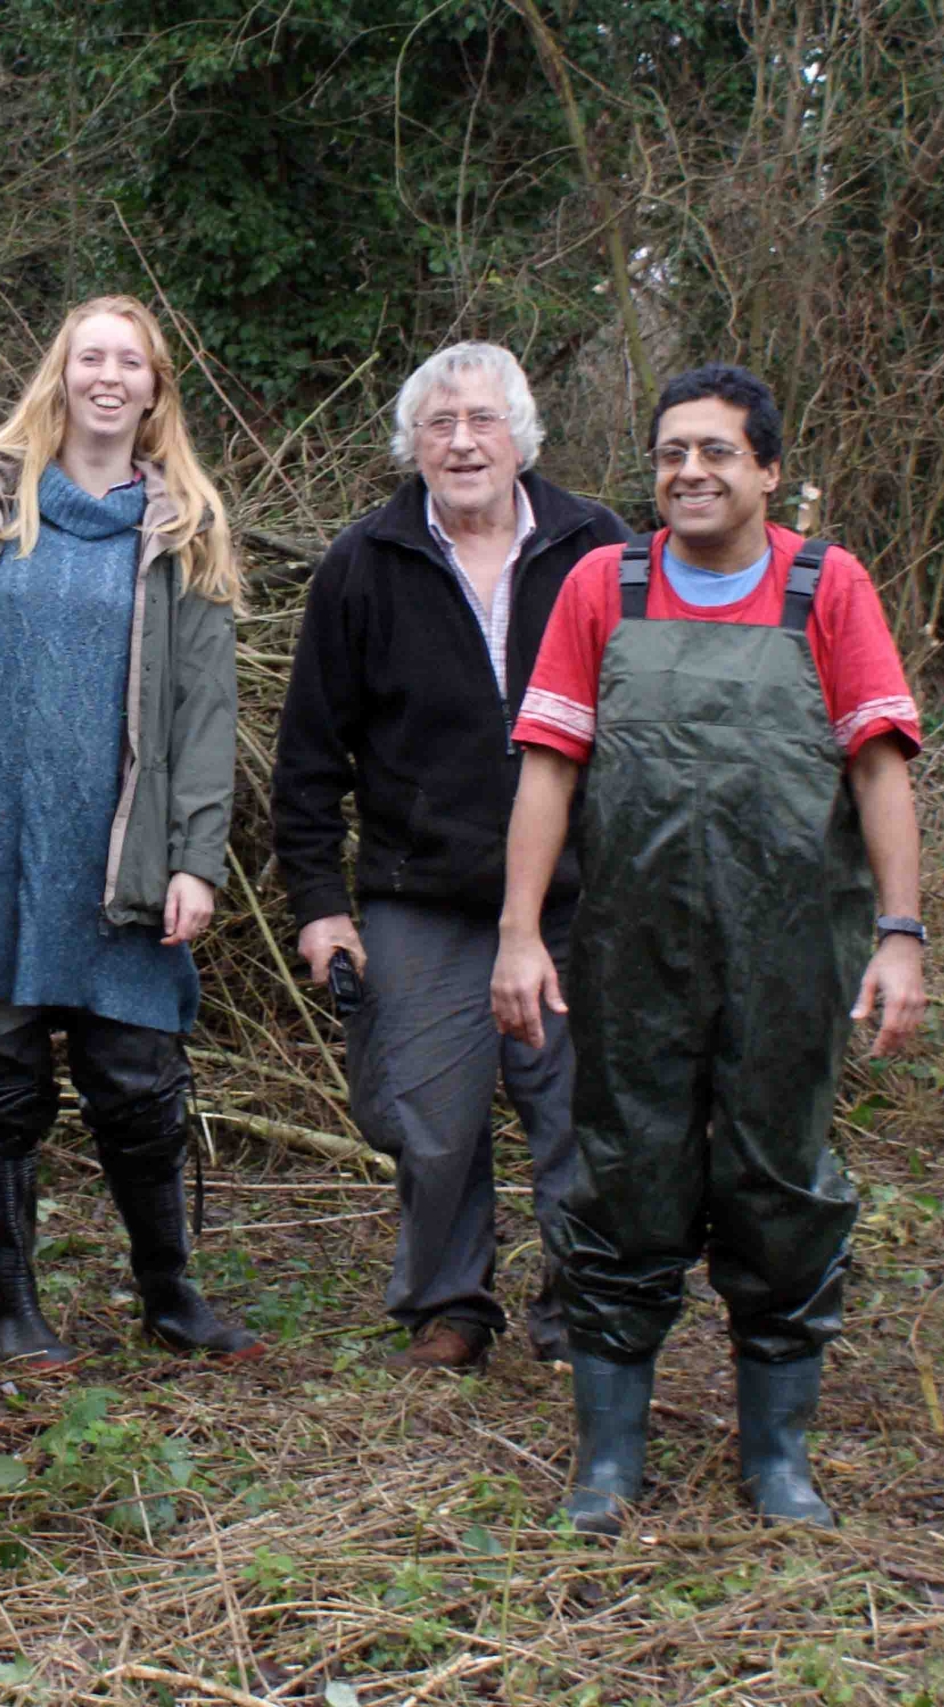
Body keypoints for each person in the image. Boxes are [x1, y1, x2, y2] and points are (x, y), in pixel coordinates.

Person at [492, 362, 927, 1534]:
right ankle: (605, 1464)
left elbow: (879, 765)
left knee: (779, 1178)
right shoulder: (602, 584)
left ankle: (775, 1459)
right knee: (624, 1173)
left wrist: (899, 934)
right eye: (671, 452)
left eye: (718, 452)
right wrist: (521, 932)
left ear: (768, 473)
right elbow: (548, 764)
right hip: (632, 950)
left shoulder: (827, 589)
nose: (689, 472)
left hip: (791, 951)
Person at [273, 343, 632, 1372]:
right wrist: (317, 904)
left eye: (481, 420)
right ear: (411, 444)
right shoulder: (363, 564)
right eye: (440, 424)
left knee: (575, 1114)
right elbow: (308, 755)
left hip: (576, 893)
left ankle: (580, 1314)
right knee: (429, 1121)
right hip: (418, 892)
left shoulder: (596, 547)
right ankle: (450, 1307)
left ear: (520, 435)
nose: (463, 441)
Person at [0, 295, 259, 1366]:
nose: (108, 376)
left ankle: (170, 1295)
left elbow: (207, 712)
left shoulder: (185, 529)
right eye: (89, 357)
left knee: (135, 1079)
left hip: (125, 850)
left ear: (157, 388)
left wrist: (195, 858)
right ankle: (14, 1308)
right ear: (59, 374)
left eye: (131, 362)